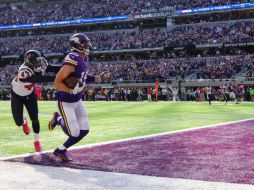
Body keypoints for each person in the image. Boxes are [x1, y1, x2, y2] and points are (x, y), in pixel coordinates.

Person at [48, 33, 110, 161]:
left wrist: (98, 77)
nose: (87, 46)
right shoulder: (72, 59)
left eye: (87, 43)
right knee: (74, 133)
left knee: (85, 130)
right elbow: (57, 82)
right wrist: (71, 91)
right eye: (84, 44)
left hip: (78, 99)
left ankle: (60, 150)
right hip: (65, 101)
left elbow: (84, 76)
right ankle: (58, 118)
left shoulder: (85, 57)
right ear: (76, 45)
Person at [11, 50, 49, 152]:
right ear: (29, 61)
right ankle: (23, 121)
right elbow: (41, 79)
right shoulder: (23, 71)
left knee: (35, 118)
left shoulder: (34, 67)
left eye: (38, 61)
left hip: (30, 94)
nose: (38, 63)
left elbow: (49, 68)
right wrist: (58, 78)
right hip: (17, 95)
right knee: (18, 122)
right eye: (35, 61)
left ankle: (36, 141)